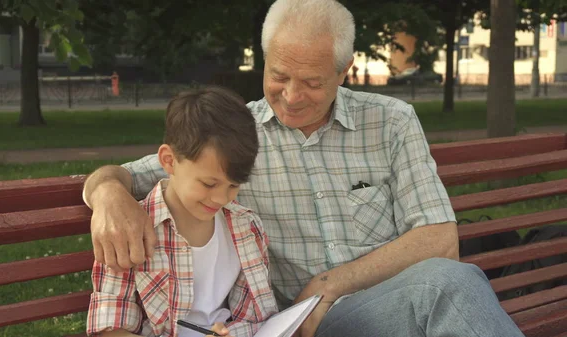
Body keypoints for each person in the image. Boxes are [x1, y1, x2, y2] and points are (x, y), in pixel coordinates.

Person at [82, 1, 525, 336]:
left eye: (312, 82)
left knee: (448, 283)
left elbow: (439, 239)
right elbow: (137, 172)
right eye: (279, 76)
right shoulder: (236, 138)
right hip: (302, 326)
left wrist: (332, 284)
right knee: (448, 288)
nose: (292, 96)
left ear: (344, 71)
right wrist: (107, 194)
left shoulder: (391, 121)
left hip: (390, 303)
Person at [86, 87, 278, 337]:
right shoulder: (129, 229)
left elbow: (255, 317)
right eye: (209, 184)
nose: (221, 198)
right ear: (168, 160)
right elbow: (110, 327)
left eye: (233, 185)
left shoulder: (246, 227)